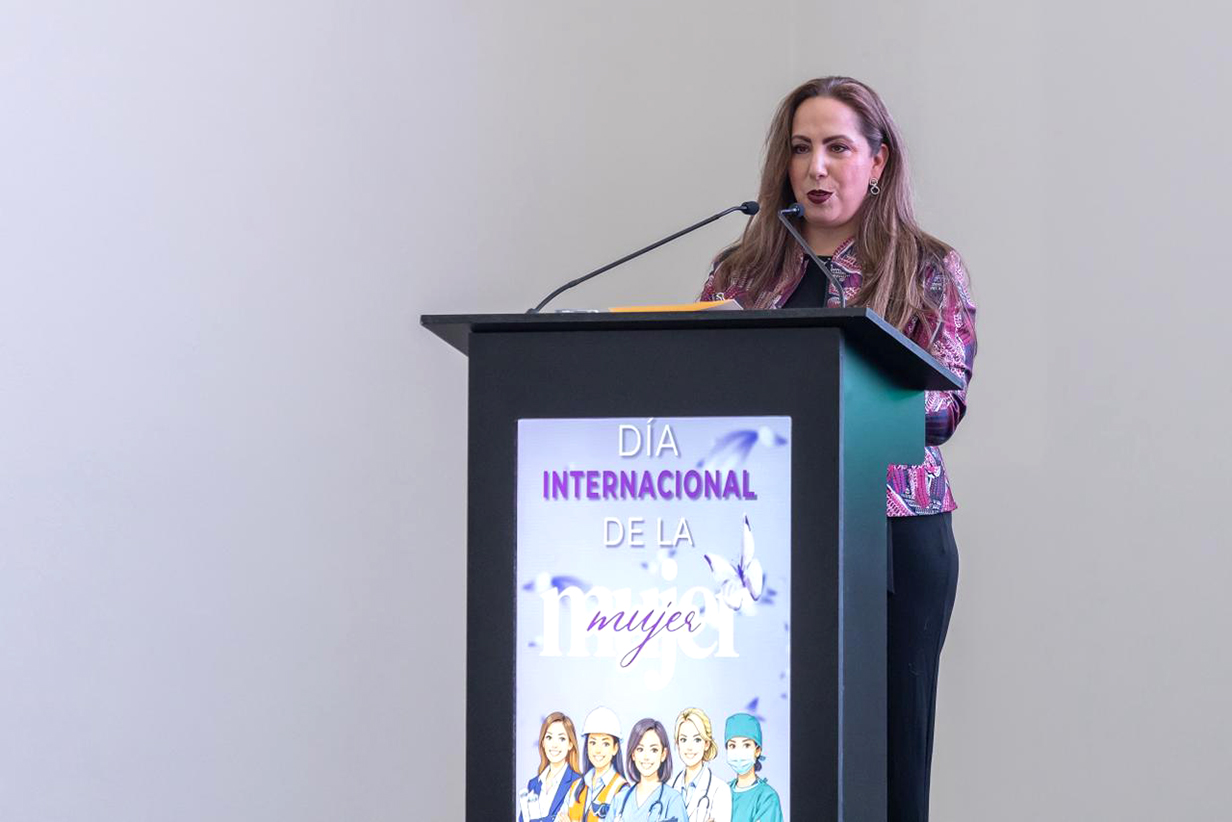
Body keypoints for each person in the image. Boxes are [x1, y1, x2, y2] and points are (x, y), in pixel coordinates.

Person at [698, 75, 976, 821]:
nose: (815, 167)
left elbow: (945, 403)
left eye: (837, 148)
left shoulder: (925, 267)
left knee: (891, 760)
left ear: (878, 161)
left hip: (893, 533)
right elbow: (701, 386)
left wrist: (835, 394)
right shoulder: (741, 273)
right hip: (771, 532)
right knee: (774, 749)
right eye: (800, 149)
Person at [557, 706, 628, 822]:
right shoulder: (575, 787)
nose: (598, 750)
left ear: (615, 748)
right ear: (587, 747)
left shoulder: (622, 791)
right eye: (593, 742)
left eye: (605, 744)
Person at [610, 718, 689, 822]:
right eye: (640, 749)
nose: (646, 757)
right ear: (633, 754)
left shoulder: (673, 800)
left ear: (663, 754)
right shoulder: (619, 801)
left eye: (653, 750)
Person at [668, 708, 732, 822]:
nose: (689, 747)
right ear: (677, 744)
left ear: (706, 744)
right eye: (683, 739)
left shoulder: (720, 790)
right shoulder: (668, 787)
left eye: (697, 739)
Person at [519, 712, 583, 822]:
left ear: (570, 744)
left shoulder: (578, 783)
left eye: (561, 739)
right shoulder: (533, 784)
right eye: (549, 737)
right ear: (543, 743)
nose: (554, 745)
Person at [722, 713, 782, 822]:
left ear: (757, 750)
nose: (739, 752)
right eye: (732, 746)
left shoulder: (767, 797)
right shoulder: (722, 792)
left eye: (746, 745)